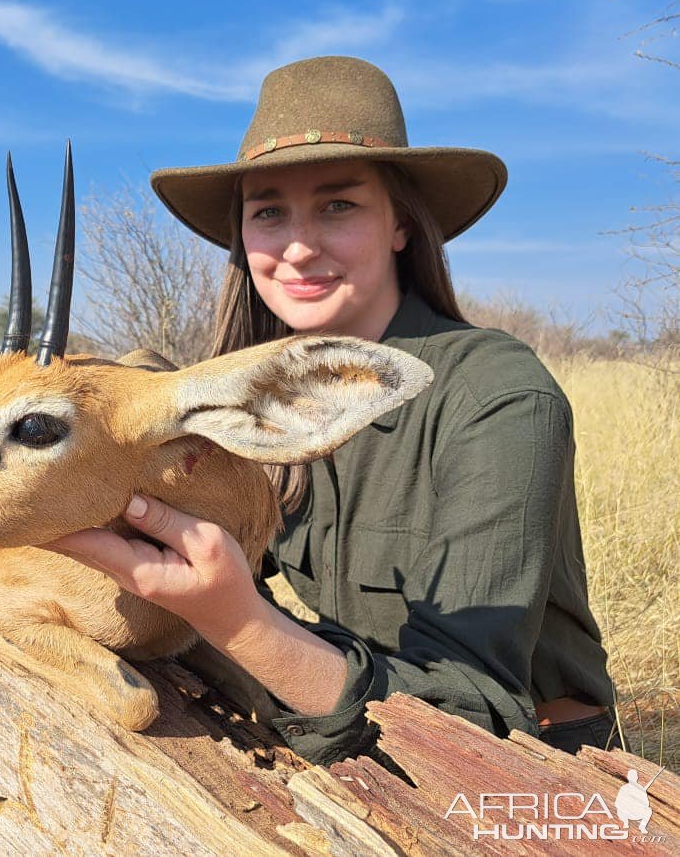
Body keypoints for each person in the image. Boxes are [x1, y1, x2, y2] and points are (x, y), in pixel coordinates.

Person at [45, 56, 620, 765]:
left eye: (339, 205)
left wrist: (239, 622)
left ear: (401, 225)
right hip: (341, 695)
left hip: (529, 756)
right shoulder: (259, 395)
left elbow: (478, 710)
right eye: (268, 212)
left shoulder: (498, 396)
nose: (297, 246)